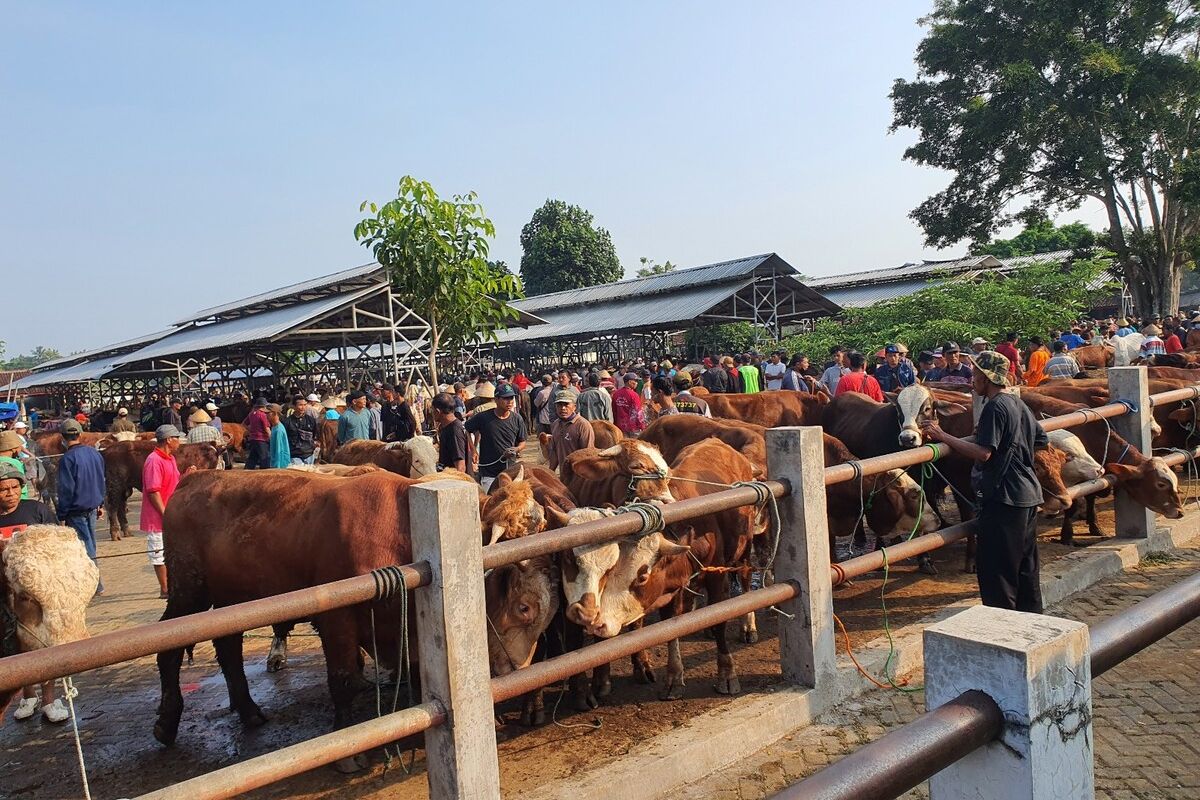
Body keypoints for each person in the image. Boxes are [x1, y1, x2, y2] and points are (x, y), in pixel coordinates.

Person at [920, 351, 1048, 613]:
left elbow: (983, 453)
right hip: (1027, 494)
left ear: (987, 378)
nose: (972, 379)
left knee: (997, 573)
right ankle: (1033, 623)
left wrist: (941, 434)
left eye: (976, 374)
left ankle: (1002, 628)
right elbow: (1041, 440)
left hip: (1003, 499)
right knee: (1025, 568)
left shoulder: (994, 407)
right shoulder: (1017, 404)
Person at [0, 464, 71, 724]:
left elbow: (58, 543)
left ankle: (50, 699)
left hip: (36, 594)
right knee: (16, 648)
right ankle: (27, 695)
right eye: (4, 489)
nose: (10, 493)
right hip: (5, 598)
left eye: (15, 487)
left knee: (43, 645)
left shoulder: (37, 510)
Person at [55, 419, 107, 595]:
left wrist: (61, 514)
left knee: (86, 548)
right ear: (80, 434)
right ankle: (94, 584)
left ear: (63, 437)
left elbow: (66, 490)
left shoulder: (67, 459)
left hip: (75, 511)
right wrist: (101, 503)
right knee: (91, 545)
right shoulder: (94, 454)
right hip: (93, 507)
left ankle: (95, 585)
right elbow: (101, 479)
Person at [143, 424, 188, 598]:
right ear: (169, 440)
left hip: (170, 512)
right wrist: (164, 513)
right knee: (158, 551)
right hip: (158, 515)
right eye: (177, 438)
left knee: (169, 549)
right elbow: (153, 491)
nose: (179, 442)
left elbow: (174, 482)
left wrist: (187, 475)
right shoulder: (154, 460)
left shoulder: (169, 459)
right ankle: (165, 588)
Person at [465, 384, 527, 491]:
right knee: (490, 502)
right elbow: (466, 430)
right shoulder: (483, 417)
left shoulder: (517, 419)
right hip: (489, 471)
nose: (510, 401)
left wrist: (516, 449)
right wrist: (473, 450)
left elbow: (522, 442)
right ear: (496, 400)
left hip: (510, 470)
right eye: (506, 398)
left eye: (511, 398)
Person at [547, 390, 595, 473]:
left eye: (566, 404)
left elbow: (588, 454)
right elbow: (554, 452)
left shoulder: (582, 425)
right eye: (559, 405)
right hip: (564, 474)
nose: (563, 408)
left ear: (574, 407)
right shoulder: (555, 424)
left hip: (579, 474)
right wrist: (550, 472)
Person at [432, 392, 470, 474]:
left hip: (455, 483)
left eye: (433, 410)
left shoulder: (454, 431)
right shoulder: (448, 427)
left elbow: (460, 467)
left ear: (438, 411)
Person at [283, 396, 318, 465]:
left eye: (305, 405)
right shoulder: (287, 422)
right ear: (293, 406)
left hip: (309, 454)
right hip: (294, 455)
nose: (303, 407)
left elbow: (314, 435)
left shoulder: (311, 420)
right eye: (300, 405)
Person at [612, 372, 645, 436]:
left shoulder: (616, 394)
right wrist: (642, 426)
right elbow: (638, 412)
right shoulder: (634, 395)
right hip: (633, 427)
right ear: (629, 382)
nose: (637, 383)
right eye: (635, 381)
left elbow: (614, 410)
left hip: (620, 427)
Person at [243, 397, 272, 470]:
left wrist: (251, 430)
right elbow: (266, 428)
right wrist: (271, 437)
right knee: (264, 458)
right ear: (263, 406)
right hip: (262, 439)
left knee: (252, 457)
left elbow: (244, 424)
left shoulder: (252, 414)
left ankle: (246, 472)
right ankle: (265, 473)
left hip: (253, 438)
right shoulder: (263, 415)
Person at [0, 430, 28, 500]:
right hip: (15, 500)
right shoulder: (15, 463)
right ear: (13, 449)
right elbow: (22, 487)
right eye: (19, 447)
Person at [267, 405, 290, 469]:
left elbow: (279, 450)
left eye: (268, 413)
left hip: (280, 465)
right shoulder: (274, 427)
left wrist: (277, 468)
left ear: (274, 413)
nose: (266, 415)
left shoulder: (278, 430)